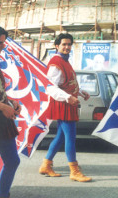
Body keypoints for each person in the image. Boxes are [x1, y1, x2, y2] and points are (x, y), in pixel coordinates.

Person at [39, 33, 92, 182]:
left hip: (67, 102)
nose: (67, 47)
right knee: (70, 137)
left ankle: (46, 165)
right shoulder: (56, 62)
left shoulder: (64, 61)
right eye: (64, 44)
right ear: (57, 46)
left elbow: (68, 82)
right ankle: (74, 171)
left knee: (61, 136)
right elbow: (50, 87)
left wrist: (80, 92)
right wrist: (68, 97)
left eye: (69, 44)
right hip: (63, 103)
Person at [0, 24, 21, 198]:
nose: (3, 46)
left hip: (2, 120)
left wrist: (10, 102)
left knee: (12, 161)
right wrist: (2, 106)